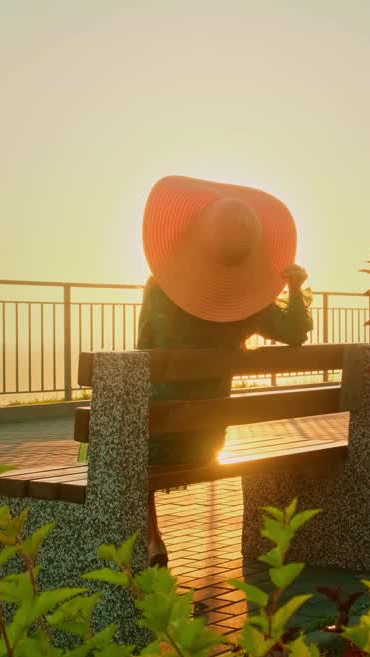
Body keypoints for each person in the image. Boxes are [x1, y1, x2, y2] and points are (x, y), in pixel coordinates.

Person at [136, 175, 313, 566]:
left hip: (158, 440)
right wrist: (295, 287)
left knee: (116, 439)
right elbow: (295, 332)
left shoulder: (160, 288)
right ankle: (149, 536)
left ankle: (151, 538)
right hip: (207, 442)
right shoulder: (249, 300)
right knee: (138, 436)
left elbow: (141, 354)